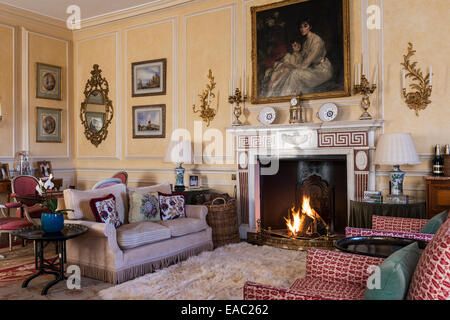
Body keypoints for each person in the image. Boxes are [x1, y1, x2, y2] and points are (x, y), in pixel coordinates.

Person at [263, 18, 334, 97]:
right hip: (312, 68)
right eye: (301, 27)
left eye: (305, 26)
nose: (302, 29)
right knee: (287, 67)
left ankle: (284, 97)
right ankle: (278, 95)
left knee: (294, 73)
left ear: (310, 27)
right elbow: (302, 58)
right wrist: (297, 51)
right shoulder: (306, 41)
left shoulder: (316, 41)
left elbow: (306, 63)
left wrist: (291, 65)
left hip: (322, 70)